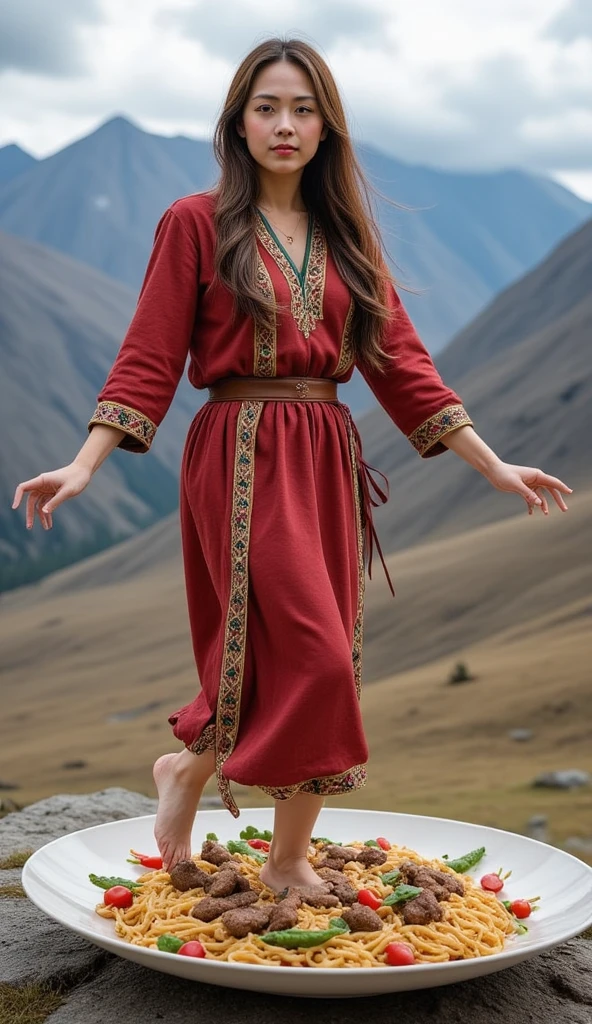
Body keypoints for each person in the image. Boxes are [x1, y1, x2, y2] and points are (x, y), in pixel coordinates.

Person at [12, 38, 572, 893]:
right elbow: (150, 355)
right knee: (308, 654)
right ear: (238, 122)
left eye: (303, 109)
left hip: (325, 451)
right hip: (236, 448)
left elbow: (403, 365)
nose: (285, 124)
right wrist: (86, 464)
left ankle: (212, 795)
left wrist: (492, 464)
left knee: (312, 649)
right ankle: (268, 843)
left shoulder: (348, 239)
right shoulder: (194, 222)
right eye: (267, 107)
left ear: (327, 128)